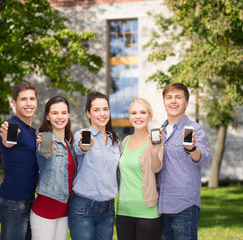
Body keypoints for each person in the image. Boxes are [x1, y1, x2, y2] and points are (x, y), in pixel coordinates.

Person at [157, 82, 210, 240]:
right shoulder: (160, 132)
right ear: (164, 102)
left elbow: (203, 157)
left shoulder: (194, 130)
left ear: (186, 103)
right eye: (169, 97)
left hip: (183, 207)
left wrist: (192, 148)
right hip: (160, 207)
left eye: (178, 97)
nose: (173, 101)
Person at [68, 91, 120, 240]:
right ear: (88, 113)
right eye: (96, 110)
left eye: (105, 109)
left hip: (108, 210)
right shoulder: (82, 134)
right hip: (83, 208)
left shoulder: (115, 141)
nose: (102, 113)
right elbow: (79, 148)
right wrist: (86, 146)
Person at [0, 81, 39, 240]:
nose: (29, 103)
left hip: (27, 201)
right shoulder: (12, 126)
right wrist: (7, 137)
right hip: (13, 203)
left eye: (32, 99)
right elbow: (8, 141)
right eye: (23, 99)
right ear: (14, 103)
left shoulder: (32, 131)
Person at [30, 96, 77, 240]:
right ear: (48, 116)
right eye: (55, 113)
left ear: (68, 115)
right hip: (45, 212)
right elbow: (46, 152)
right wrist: (47, 148)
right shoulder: (45, 138)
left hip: (63, 214)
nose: (60, 117)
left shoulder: (69, 145)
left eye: (63, 113)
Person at [116, 98, 163, 240]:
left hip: (147, 214)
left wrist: (154, 152)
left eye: (143, 112)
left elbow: (157, 168)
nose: (138, 116)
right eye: (134, 113)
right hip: (123, 212)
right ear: (129, 116)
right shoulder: (125, 141)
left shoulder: (156, 143)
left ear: (150, 116)